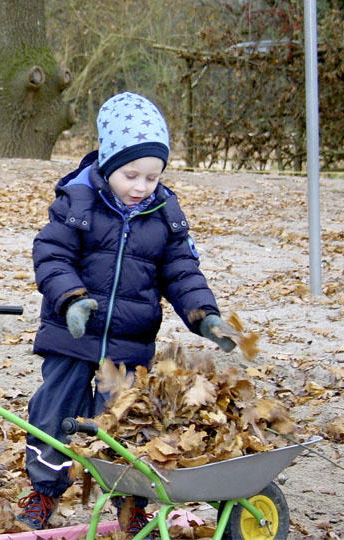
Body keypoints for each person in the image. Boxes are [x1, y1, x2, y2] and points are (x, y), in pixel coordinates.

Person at [18, 92, 236, 536]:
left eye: (152, 176)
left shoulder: (165, 214)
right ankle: (43, 492)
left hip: (128, 347)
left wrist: (205, 316)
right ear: (106, 162)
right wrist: (71, 298)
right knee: (51, 414)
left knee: (125, 429)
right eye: (130, 174)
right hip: (71, 338)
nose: (141, 186)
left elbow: (182, 272)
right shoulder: (77, 202)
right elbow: (51, 255)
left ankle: (130, 503)